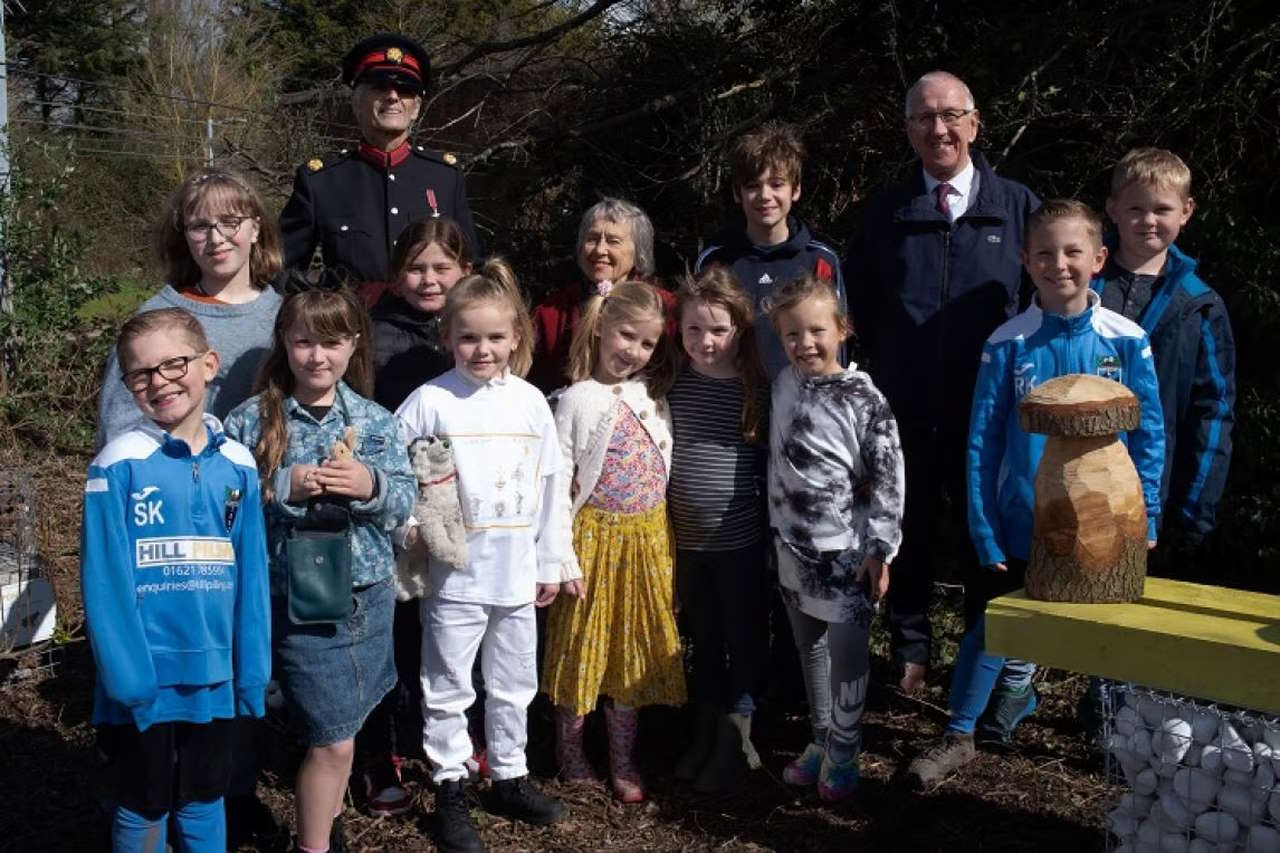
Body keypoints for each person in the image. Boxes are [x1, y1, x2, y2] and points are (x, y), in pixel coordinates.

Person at [907, 200, 1164, 786]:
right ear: (1024, 260)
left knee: (1110, 623)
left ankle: (1119, 734)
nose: (1059, 264)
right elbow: (982, 441)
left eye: (1073, 251)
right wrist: (982, 523)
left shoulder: (1127, 340)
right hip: (1022, 518)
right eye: (1044, 253)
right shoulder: (1008, 342)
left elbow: (1150, 435)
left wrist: (1145, 514)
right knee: (995, 625)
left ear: (1098, 259)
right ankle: (959, 733)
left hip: (1107, 520)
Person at [847, 71, 1040, 694]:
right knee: (909, 532)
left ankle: (984, 659)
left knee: (988, 537)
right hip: (904, 409)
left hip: (991, 413)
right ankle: (910, 652)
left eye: (952, 115)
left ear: (975, 123)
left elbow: (1045, 302)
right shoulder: (885, 211)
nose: (940, 129)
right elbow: (862, 307)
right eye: (925, 118)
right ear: (908, 131)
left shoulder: (1017, 207)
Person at [223, 284, 416, 853]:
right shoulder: (250, 421)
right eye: (304, 341)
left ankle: (324, 822)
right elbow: (223, 503)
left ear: (353, 344)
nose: (317, 356)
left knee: (345, 728)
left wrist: (371, 485)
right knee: (330, 738)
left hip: (362, 597)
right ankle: (316, 844)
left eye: (332, 342)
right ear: (284, 341)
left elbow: (406, 502)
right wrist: (283, 485)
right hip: (287, 594)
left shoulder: (377, 422)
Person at [395, 259, 573, 853]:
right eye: (468, 337)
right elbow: (401, 483)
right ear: (447, 337)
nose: (482, 349)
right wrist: (410, 529)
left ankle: (509, 773)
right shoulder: (429, 403)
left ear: (516, 338)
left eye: (495, 337)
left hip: (517, 573)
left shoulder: (529, 404)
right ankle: (451, 783)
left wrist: (553, 560)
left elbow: (552, 487)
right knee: (447, 682)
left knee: (514, 679)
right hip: (455, 576)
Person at [82, 307, 271, 852]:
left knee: (204, 797)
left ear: (209, 364)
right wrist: (129, 681)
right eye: (140, 374)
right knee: (143, 802)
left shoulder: (239, 466)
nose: (159, 382)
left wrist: (251, 670)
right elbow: (104, 584)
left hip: (216, 677)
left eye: (173, 364)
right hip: (144, 679)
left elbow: (250, 576)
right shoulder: (117, 465)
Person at [540, 281, 685, 803]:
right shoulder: (575, 399)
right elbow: (556, 486)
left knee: (628, 652)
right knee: (582, 648)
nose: (633, 351)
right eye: (626, 335)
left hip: (646, 542)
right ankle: (571, 753)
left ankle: (624, 760)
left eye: (646, 344)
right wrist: (559, 557)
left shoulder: (653, 397)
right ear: (601, 326)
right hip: (592, 544)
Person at [764, 275, 905, 803]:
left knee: (848, 655)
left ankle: (847, 749)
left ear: (842, 329)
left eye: (817, 331)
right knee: (809, 646)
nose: (805, 344)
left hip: (846, 550)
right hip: (792, 547)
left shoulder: (864, 399)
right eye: (792, 334)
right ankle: (821, 739)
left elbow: (890, 476)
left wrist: (880, 548)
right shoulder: (782, 385)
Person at [356, 215, 475, 816]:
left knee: (452, 624)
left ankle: (452, 738)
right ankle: (380, 753)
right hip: (395, 508)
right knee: (395, 626)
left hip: (463, 507)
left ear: (466, 273)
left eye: (443, 268)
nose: (429, 280)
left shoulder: (479, 330)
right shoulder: (375, 336)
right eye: (416, 268)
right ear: (396, 274)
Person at [1095, 147, 1235, 549]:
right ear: (1113, 209)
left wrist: (1195, 511)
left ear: (1186, 211)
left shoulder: (1200, 305)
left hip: (1160, 500)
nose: (1149, 221)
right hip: (1075, 487)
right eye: (1136, 208)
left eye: (1162, 209)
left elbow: (1215, 412)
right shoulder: (1079, 285)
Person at [666, 267, 770, 793]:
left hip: (740, 544)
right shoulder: (672, 384)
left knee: (744, 635)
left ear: (740, 331)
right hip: (686, 545)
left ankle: (740, 733)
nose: (705, 342)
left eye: (718, 331)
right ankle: (704, 731)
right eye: (693, 330)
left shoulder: (757, 389)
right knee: (703, 641)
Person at [280, 33, 479, 297]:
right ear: (356, 102)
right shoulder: (321, 181)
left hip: (432, 332)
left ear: (416, 108)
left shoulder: (445, 177)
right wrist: (320, 296)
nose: (393, 97)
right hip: (354, 330)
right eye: (379, 87)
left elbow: (471, 267)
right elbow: (279, 269)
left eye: (405, 90)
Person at [97, 168, 284, 449]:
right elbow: (119, 425)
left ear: (255, 229)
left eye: (230, 222)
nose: (216, 238)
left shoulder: (288, 318)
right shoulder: (156, 319)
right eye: (200, 227)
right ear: (183, 235)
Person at [694, 122, 845, 380]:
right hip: (733, 402)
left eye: (776, 184)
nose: (765, 195)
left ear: (795, 190)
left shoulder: (821, 260)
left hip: (800, 403)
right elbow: (696, 335)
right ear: (737, 192)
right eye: (753, 185)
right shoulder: (715, 260)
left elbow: (835, 342)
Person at [528, 198, 675, 393]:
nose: (600, 250)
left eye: (613, 241)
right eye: (592, 239)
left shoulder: (666, 308)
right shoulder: (550, 314)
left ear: (638, 251)